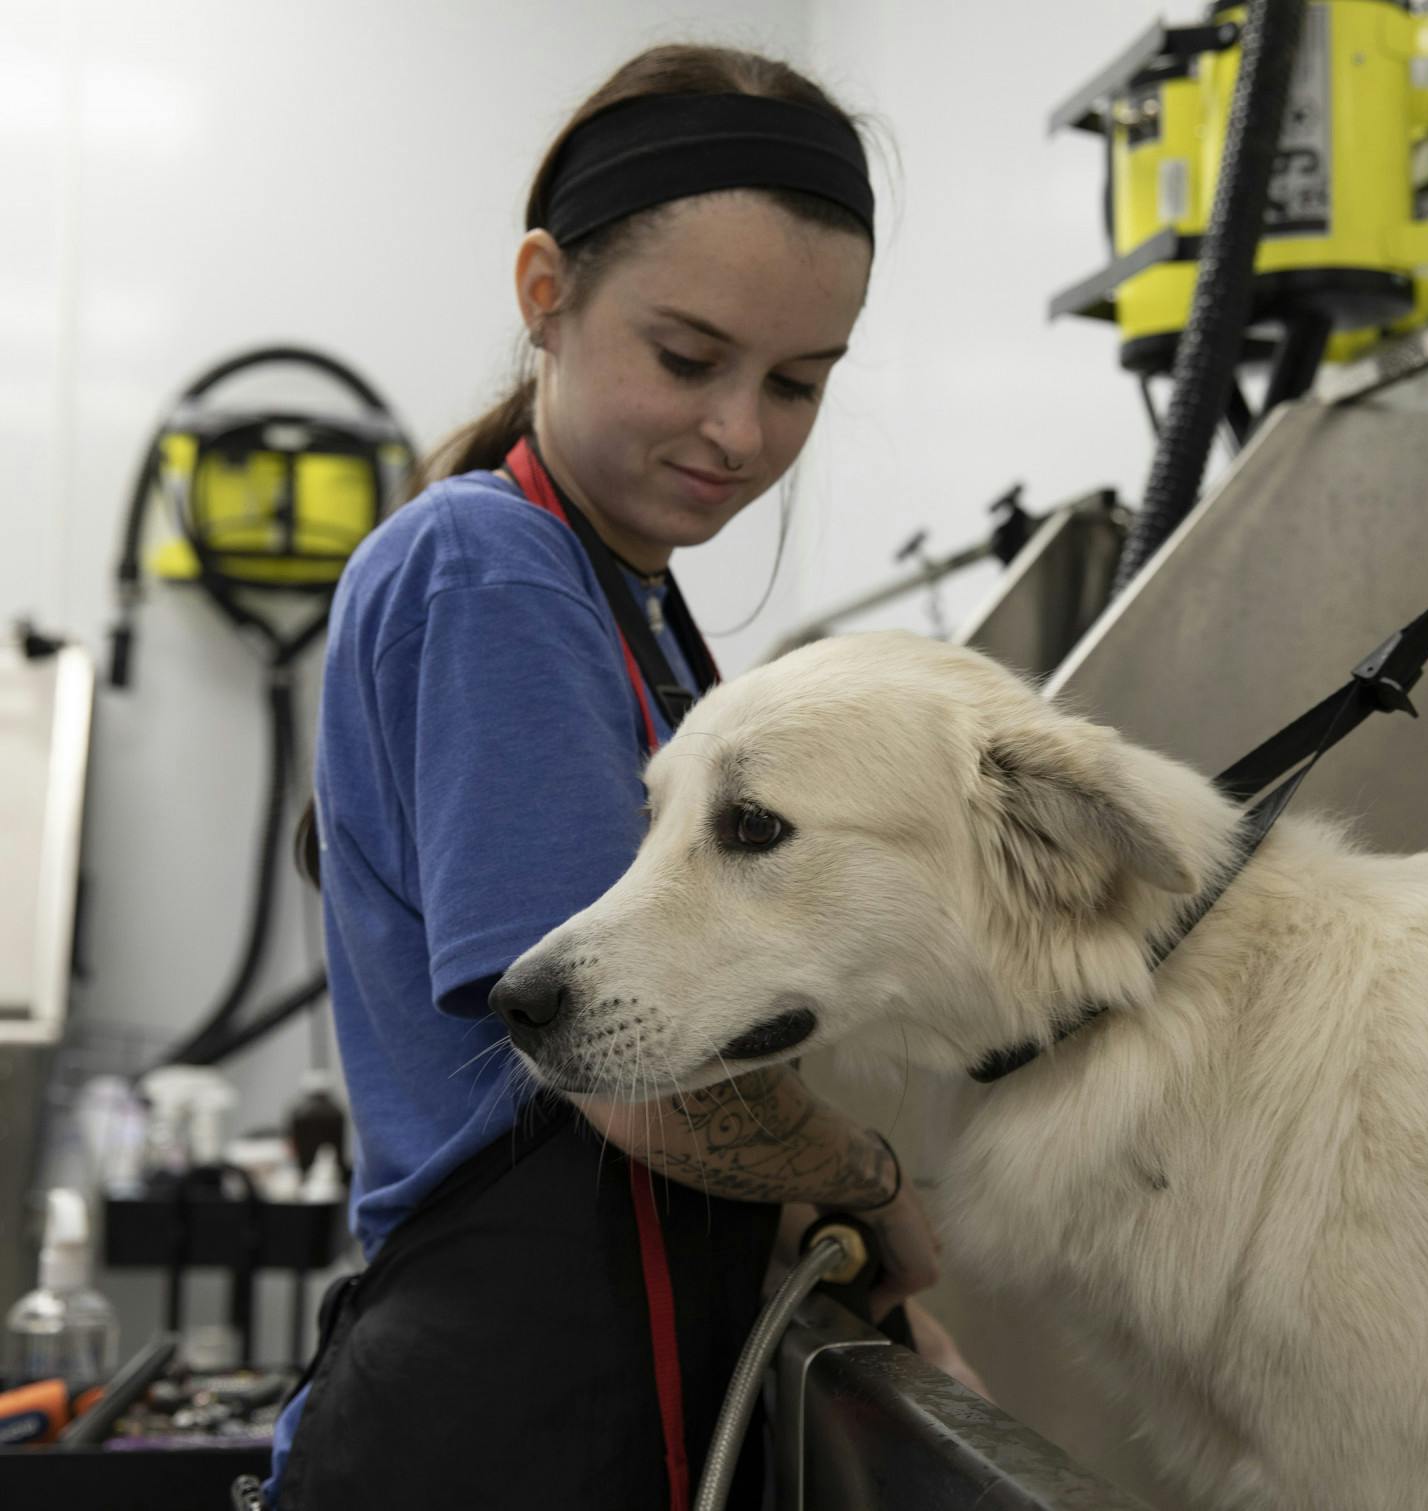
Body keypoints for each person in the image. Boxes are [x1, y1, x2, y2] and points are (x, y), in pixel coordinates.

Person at [267, 43, 948, 1510]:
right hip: (491, 1414)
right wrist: (887, 1192)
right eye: (689, 360)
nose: (741, 433)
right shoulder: (490, 566)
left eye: (799, 385)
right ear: (545, 294)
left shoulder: (629, 598)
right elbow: (638, 1077)